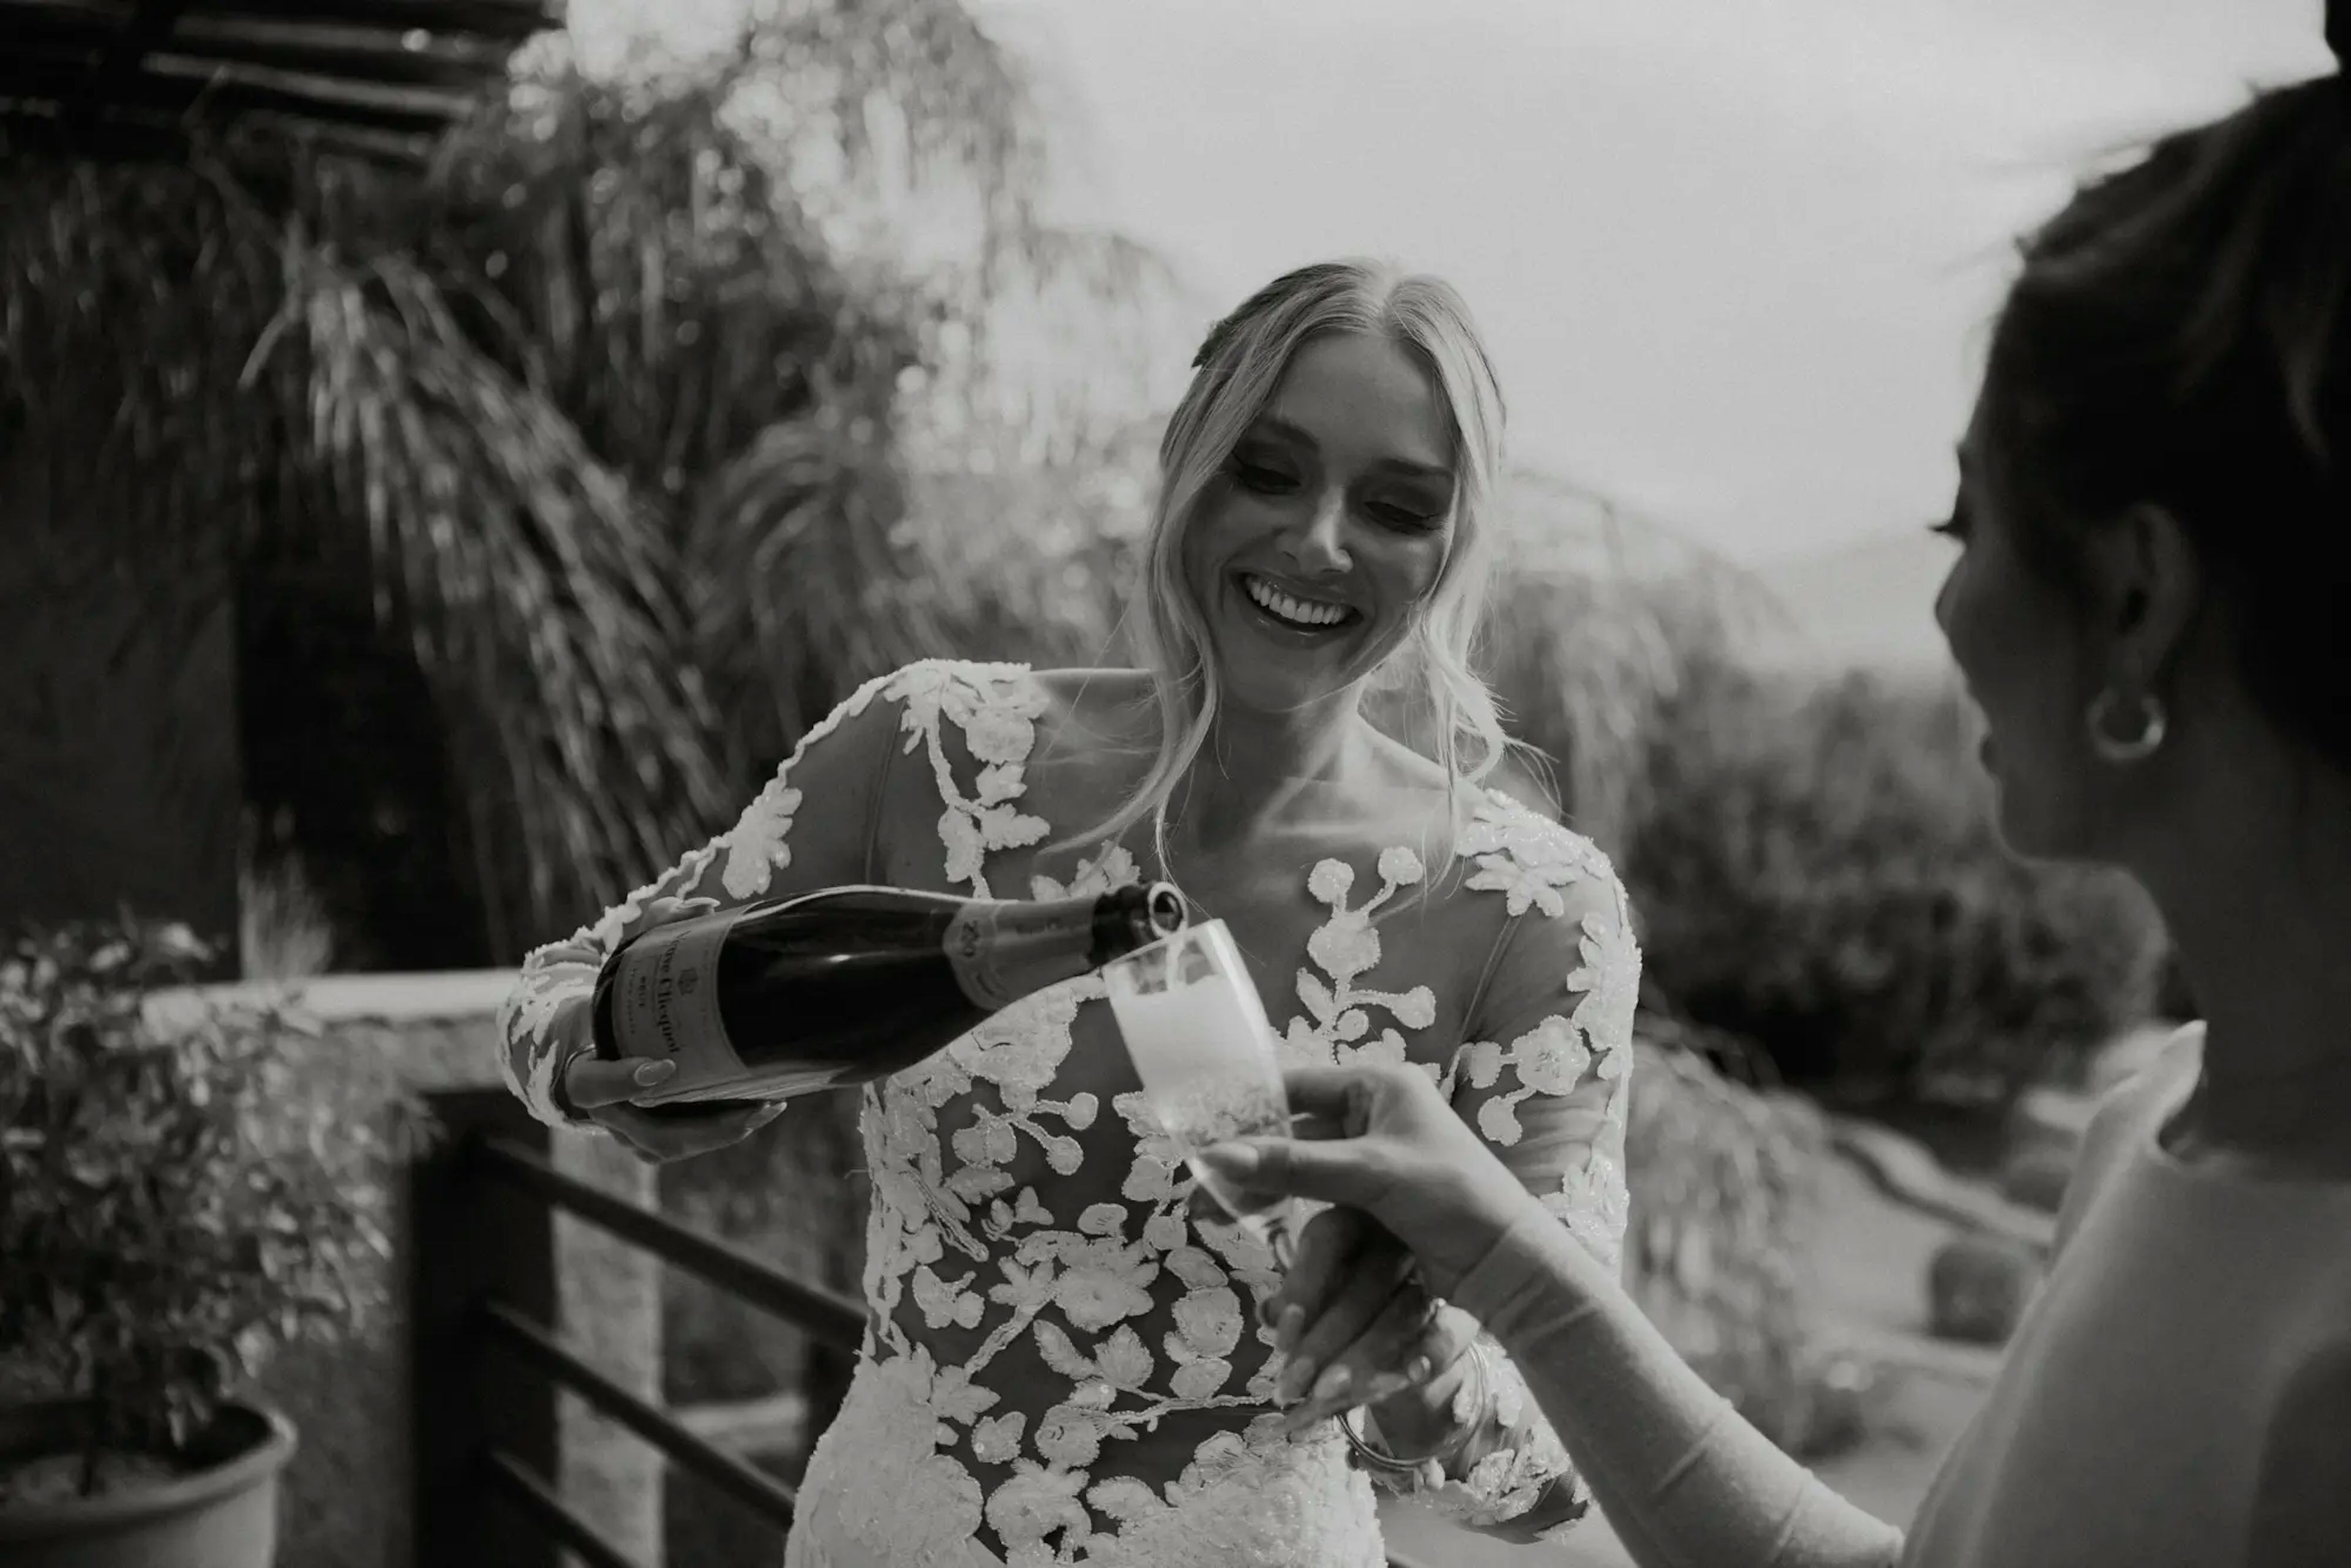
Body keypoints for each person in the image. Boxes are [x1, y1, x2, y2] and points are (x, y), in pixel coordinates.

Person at [1196, 26, 2351, 1568]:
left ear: (2136, 598)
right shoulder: (2152, 1127)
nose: (1945, 614)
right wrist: (1503, 1254)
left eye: (1964, 521)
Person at [495, 260, 1645, 1566]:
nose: (1320, 541)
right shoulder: (927, 752)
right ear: (1186, 461)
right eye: (1269, 472)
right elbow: (554, 1000)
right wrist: (603, 1077)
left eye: (1394, 506)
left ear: (1453, 548)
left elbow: (1568, 1466)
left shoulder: (1533, 912)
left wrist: (1432, 1383)